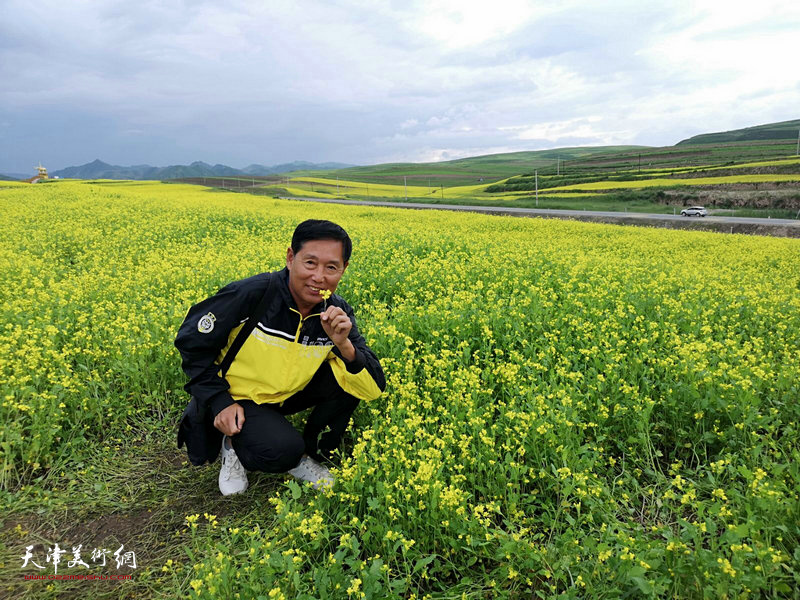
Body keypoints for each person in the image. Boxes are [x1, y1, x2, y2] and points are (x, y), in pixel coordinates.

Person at [175, 219, 385, 495]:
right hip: (241, 397)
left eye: (331, 267)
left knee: (350, 374)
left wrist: (343, 344)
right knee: (281, 451)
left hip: (286, 392)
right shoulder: (253, 295)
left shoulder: (336, 312)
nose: (319, 277)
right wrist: (219, 401)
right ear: (290, 258)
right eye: (310, 263)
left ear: (343, 270)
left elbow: (372, 387)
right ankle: (234, 445)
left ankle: (309, 453)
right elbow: (192, 342)